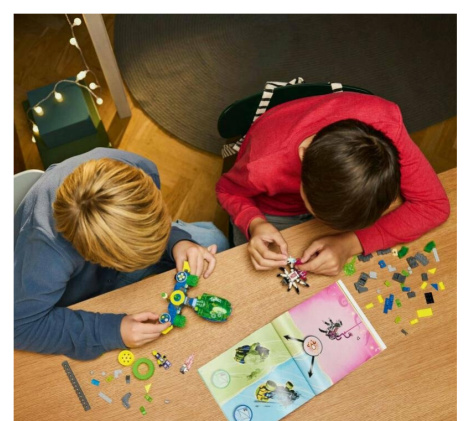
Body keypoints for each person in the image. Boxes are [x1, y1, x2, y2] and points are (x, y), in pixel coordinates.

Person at [14, 148, 229, 360]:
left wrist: (176, 241)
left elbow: (146, 224)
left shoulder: (135, 169)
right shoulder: (44, 259)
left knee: (215, 241)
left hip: (108, 252)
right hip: (71, 288)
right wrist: (112, 331)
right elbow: (18, 327)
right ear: (95, 257)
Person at [216, 92, 450, 275]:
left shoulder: (386, 126)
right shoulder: (262, 166)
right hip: (272, 209)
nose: (320, 224)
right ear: (303, 155)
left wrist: (349, 243)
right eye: (315, 211)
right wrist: (255, 223)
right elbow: (227, 190)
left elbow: (433, 206)